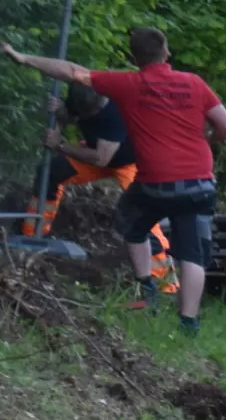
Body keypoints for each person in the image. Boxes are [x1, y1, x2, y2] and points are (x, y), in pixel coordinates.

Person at [2, 27, 226, 336]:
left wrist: (23, 58)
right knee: (192, 253)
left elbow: (72, 71)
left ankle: (150, 287)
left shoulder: (127, 83)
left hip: (150, 176)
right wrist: (209, 138)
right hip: (199, 182)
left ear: (134, 59)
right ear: (166, 53)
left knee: (133, 222)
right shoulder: (194, 83)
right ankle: (187, 324)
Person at [24, 83, 178, 296]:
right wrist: (59, 113)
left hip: (130, 161)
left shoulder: (116, 111)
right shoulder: (81, 97)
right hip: (95, 153)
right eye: (87, 112)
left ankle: (164, 284)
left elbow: (101, 157)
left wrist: (60, 144)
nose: (91, 115)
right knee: (49, 172)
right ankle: (33, 237)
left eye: (94, 111)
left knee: (142, 214)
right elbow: (68, 120)